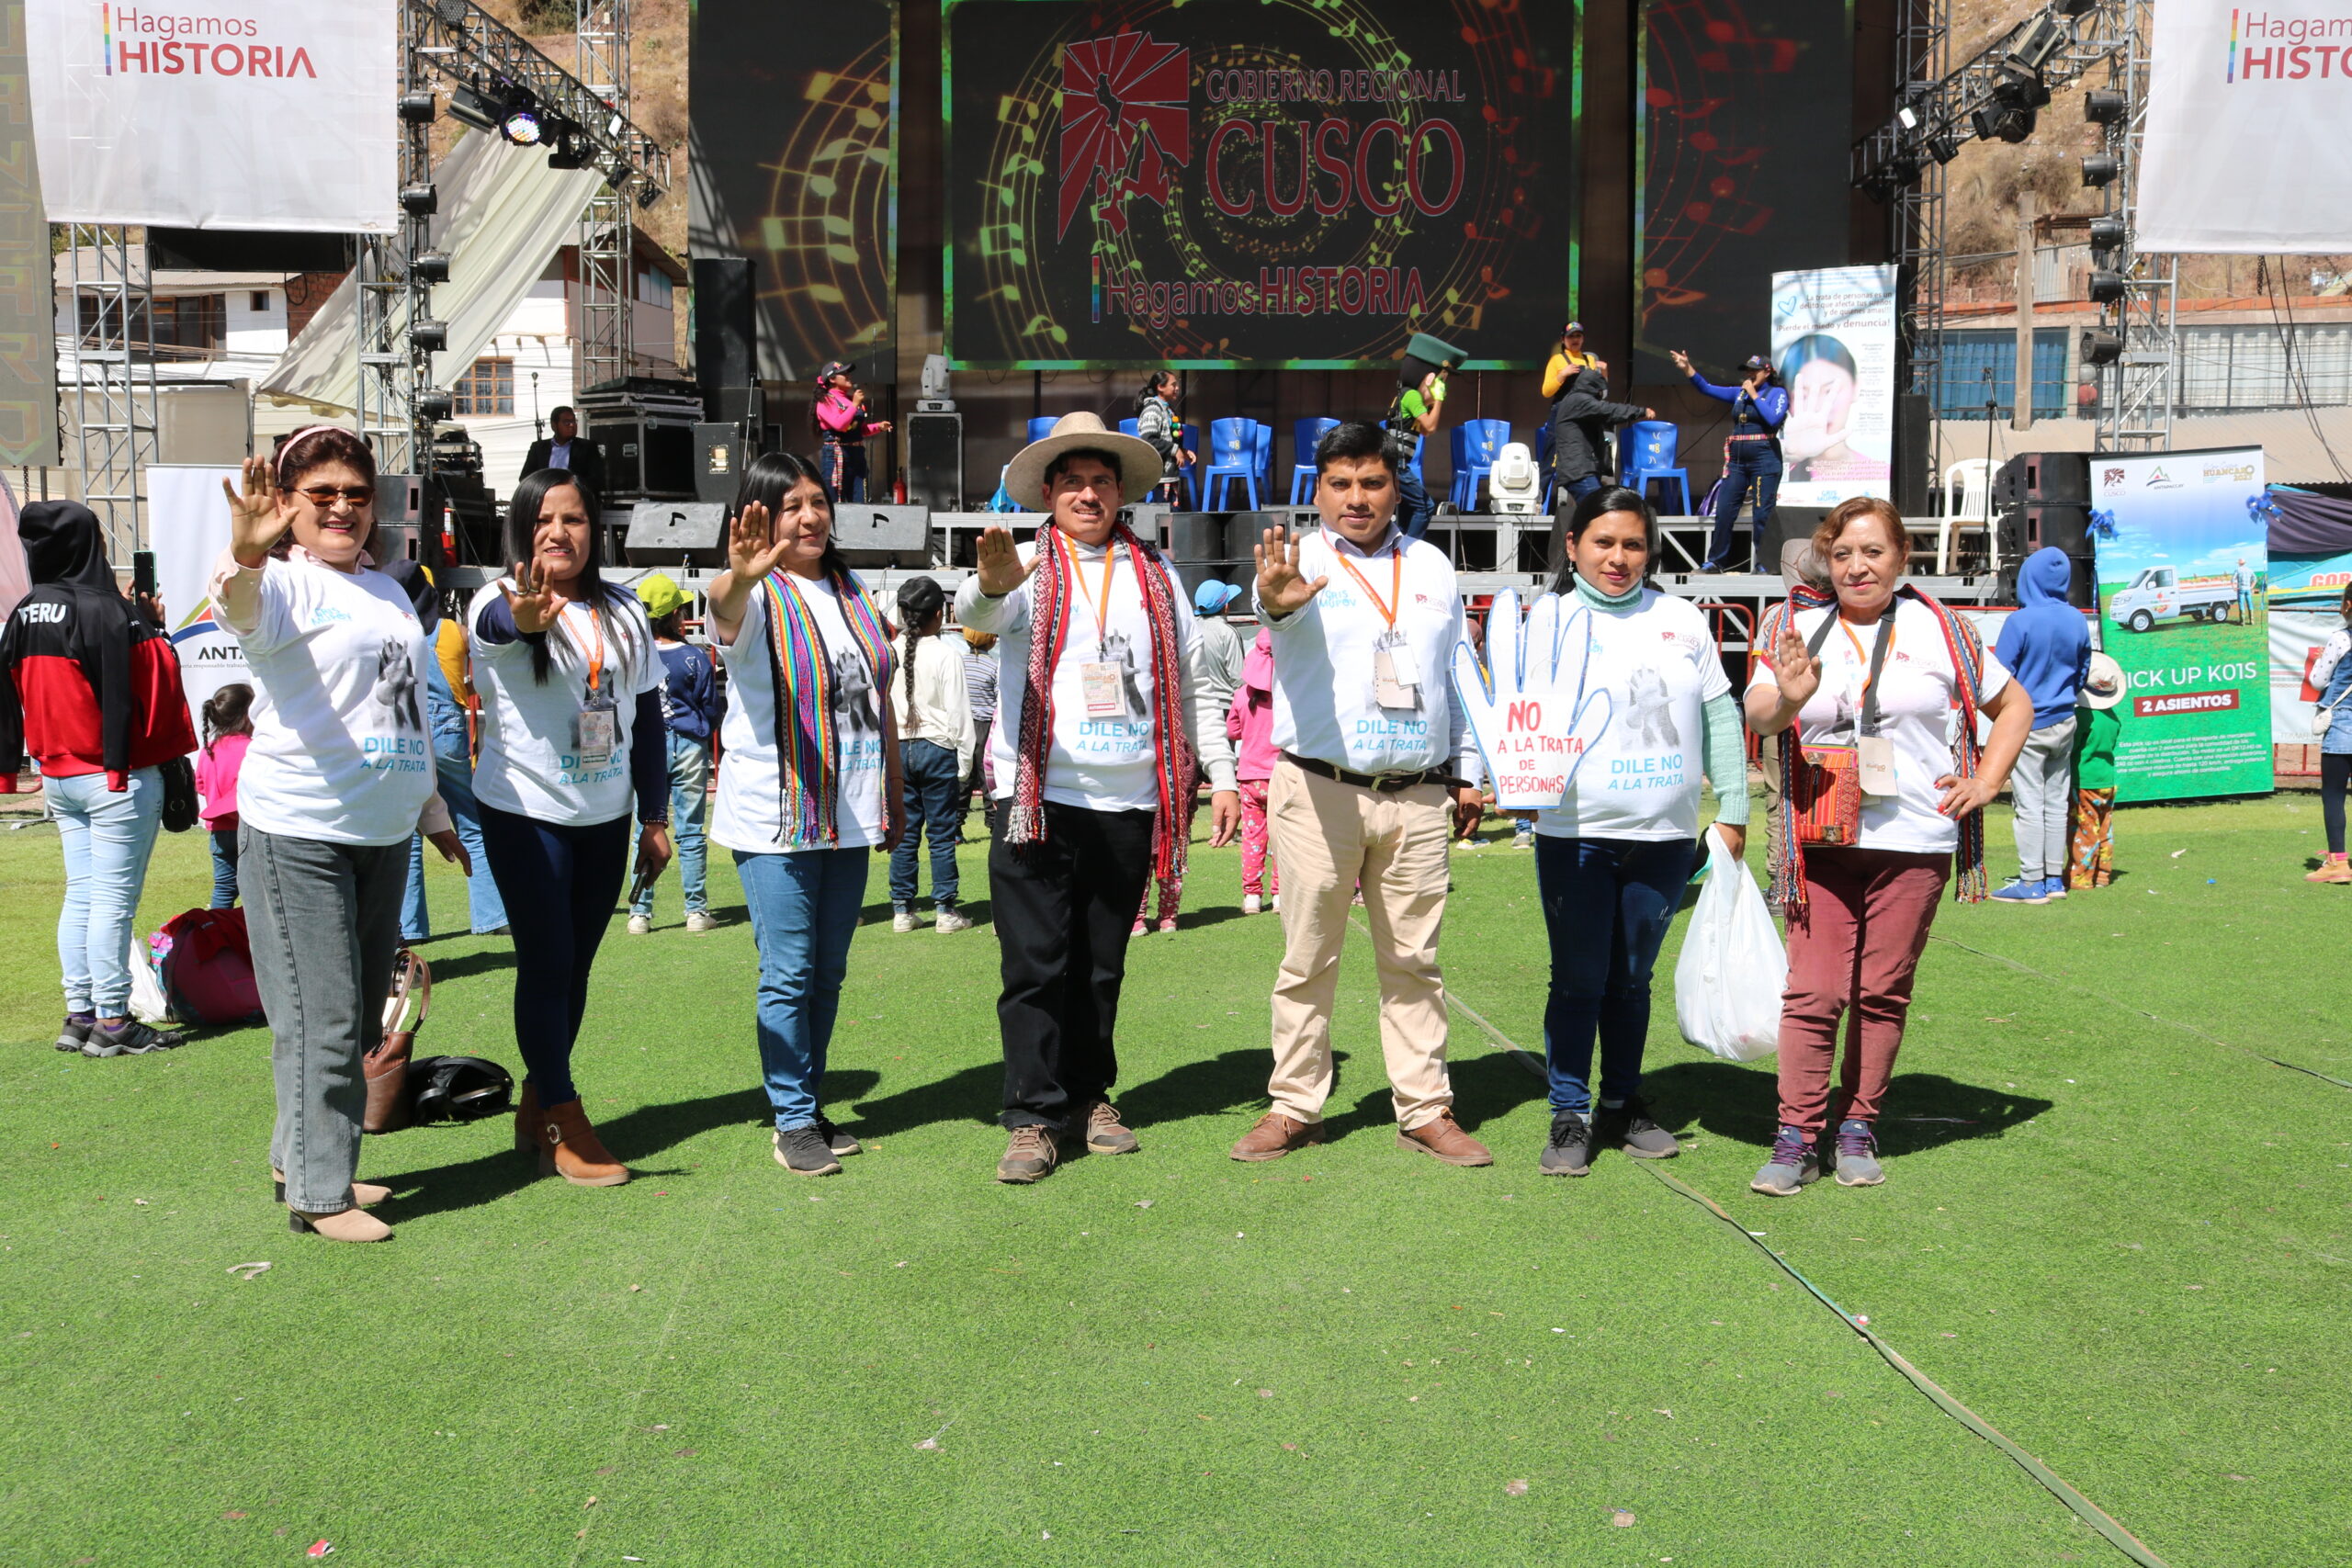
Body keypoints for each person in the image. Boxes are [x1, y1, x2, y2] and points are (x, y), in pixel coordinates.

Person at [956, 412, 1239, 1183]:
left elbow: (1193, 686)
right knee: (1035, 965)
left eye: (1101, 481)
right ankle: (1031, 1115)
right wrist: (986, 586)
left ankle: (1088, 1098)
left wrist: (1218, 771)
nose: (1088, 493)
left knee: (1100, 967)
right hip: (1035, 796)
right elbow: (975, 618)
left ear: (1121, 492)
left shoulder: (1156, 577)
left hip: (1130, 799)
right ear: (1048, 492)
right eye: (1073, 481)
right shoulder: (1023, 565)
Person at [210, 428, 469, 1240]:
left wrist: (431, 814)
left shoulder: (391, 593)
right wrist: (248, 556)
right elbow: (238, 606)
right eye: (321, 493)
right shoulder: (282, 582)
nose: (342, 509)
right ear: (288, 504)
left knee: (356, 1021)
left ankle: (305, 1156)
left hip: (380, 832)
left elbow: (406, 712)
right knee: (320, 1018)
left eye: (356, 494)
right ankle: (318, 1194)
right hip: (300, 833)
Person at [1745, 496, 2032, 1195]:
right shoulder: (1791, 624)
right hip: (1819, 838)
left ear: (1903, 558)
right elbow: (1757, 711)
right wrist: (1788, 696)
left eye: (1873, 551)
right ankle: (1795, 1135)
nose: (1857, 566)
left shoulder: (1946, 630)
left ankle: (1857, 1126)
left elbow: (2014, 705)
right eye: (1842, 553)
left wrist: (1986, 779)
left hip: (1915, 839)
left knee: (1881, 990)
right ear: (1826, 559)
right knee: (1812, 990)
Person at [1230, 421, 1489, 1168]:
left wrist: (1465, 770)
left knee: (1415, 960)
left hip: (1416, 794)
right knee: (1308, 957)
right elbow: (1274, 603)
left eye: (1372, 482)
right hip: (1319, 789)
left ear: (1394, 489)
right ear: (1318, 490)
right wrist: (1277, 604)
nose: (1357, 498)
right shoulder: (1296, 559)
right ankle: (1294, 1106)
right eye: (1339, 483)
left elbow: (1455, 674)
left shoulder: (1435, 567)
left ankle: (1424, 1107)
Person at [1527, 486, 1750, 1176]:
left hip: (1664, 835)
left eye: (1632, 543)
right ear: (1572, 546)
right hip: (1575, 831)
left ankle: (1623, 1102)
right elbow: (1520, 714)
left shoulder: (1682, 618)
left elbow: (1718, 715)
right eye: (1602, 542)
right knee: (1578, 977)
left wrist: (1735, 809)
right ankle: (1571, 1113)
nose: (1618, 557)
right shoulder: (1546, 619)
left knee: (1631, 977)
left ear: (1649, 548)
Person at [469, 469, 672, 1190]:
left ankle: (536, 1102)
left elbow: (646, 717)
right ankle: (564, 1115)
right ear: (522, 527)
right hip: (527, 811)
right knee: (548, 961)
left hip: (607, 814)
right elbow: (506, 626)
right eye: (545, 518)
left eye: (576, 519)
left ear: (595, 529)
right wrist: (529, 618)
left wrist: (655, 815)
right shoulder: (494, 599)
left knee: (576, 969)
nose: (560, 532)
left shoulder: (624, 609)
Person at [705, 451, 905, 1176]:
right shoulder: (756, 596)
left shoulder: (853, 590)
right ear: (759, 516)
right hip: (778, 817)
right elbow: (724, 608)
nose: (809, 516)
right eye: (790, 506)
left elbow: (878, 700)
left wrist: (892, 795)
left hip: (849, 810)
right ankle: (792, 1118)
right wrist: (741, 576)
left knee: (828, 972)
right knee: (788, 972)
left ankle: (809, 1101)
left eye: (817, 502)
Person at [0, 499, 198, 1058]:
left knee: (83, 895)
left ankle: (81, 1013)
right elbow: (150, 689)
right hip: (115, 776)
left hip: (60, 773)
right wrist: (153, 627)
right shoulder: (108, 610)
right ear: (89, 544)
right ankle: (112, 1020)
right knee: (111, 902)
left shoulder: (25, 610)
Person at [392, 561, 506, 943]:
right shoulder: (453, 631)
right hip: (449, 731)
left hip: (405, 730)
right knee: (473, 825)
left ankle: (410, 926)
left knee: (407, 832)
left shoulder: (391, 629)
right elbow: (479, 674)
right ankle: (491, 917)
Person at [1132, 578, 1248, 934]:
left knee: (1139, 851)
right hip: (1214, 723)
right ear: (1225, 606)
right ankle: (1169, 915)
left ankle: (1136, 918)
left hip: (1161, 744)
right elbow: (1239, 679)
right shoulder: (1227, 634)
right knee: (1173, 842)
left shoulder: (1184, 628)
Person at [1991, 547, 2091, 904]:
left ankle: (2031, 882)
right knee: (2055, 800)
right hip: (2065, 718)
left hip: (2027, 723)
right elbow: (2083, 670)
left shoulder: (2020, 621)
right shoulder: (2077, 618)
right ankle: (2053, 879)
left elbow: (1998, 676)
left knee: (2029, 804)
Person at [628, 572, 723, 934]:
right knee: (691, 830)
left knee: (644, 826)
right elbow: (710, 706)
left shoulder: (635, 656)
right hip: (688, 745)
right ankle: (696, 911)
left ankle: (639, 912)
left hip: (645, 746)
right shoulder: (694, 657)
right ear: (675, 616)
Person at [888, 574, 976, 933]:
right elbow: (959, 713)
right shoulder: (946, 654)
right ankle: (944, 910)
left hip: (897, 748)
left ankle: (902, 910)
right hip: (938, 748)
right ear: (940, 614)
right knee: (941, 834)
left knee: (904, 833)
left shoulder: (888, 651)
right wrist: (965, 763)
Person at [1672, 349, 1786, 573]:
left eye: (1755, 371)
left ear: (1767, 371)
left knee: (1762, 513)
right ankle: (1716, 562)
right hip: (1738, 460)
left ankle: (1764, 563)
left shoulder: (1777, 393)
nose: (1750, 374)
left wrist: (1754, 394)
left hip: (1765, 457)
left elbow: (1773, 418)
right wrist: (1688, 368)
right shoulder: (1739, 393)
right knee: (1724, 510)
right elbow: (1706, 388)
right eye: (1748, 371)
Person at [1546, 361, 1653, 569]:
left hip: (1580, 468)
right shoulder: (1579, 400)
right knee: (1600, 512)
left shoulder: (1576, 401)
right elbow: (1608, 410)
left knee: (1589, 515)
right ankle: (1578, 558)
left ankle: (1578, 557)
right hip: (1578, 470)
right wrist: (1640, 411)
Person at [1777, 336, 1889, 485]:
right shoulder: (1775, 470)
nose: (1818, 408)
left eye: (1830, 391)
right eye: (1803, 395)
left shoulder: (1881, 475)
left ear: (1856, 387)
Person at [1227, 627, 1280, 914]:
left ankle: (1252, 897)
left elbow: (1233, 731)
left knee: (1252, 838)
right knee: (1283, 838)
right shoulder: (1288, 696)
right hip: (1282, 778)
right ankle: (1280, 894)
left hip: (1250, 778)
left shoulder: (1240, 695)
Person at [2306, 585, 2352, 885]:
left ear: (2347, 605)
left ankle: (2338, 863)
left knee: (2334, 795)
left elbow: (2318, 679)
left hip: (2344, 725)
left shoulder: (2340, 638)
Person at [197, 683, 254, 909]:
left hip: (219, 831)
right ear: (248, 714)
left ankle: (216, 936)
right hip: (249, 828)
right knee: (256, 889)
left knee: (223, 888)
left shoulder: (208, 750)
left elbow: (201, 785)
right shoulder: (253, 748)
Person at [2068, 651, 2124, 890]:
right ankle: (2103, 875)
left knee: (2085, 830)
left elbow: (2072, 747)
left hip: (2085, 782)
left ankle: (2081, 877)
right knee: (2104, 829)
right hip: (2107, 780)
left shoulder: (2082, 716)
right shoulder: (2113, 718)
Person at [812, 360, 892, 503]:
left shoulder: (851, 400)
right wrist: (855, 404)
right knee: (835, 504)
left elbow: (859, 430)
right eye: (843, 374)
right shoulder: (825, 400)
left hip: (857, 455)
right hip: (836, 455)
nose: (848, 376)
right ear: (832, 379)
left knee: (861, 502)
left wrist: (878, 427)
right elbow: (840, 425)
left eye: (848, 373)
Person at [1385, 368, 1447, 542]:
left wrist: (1434, 403)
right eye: (1437, 386)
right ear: (1427, 381)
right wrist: (1439, 399)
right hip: (1397, 465)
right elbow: (1431, 426)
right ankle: (1409, 549)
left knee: (1407, 509)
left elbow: (1426, 431)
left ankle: (1397, 546)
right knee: (1425, 506)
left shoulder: (1408, 396)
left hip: (1396, 463)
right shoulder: (1412, 396)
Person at [959, 626, 999, 840]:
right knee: (987, 777)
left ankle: (956, 828)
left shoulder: (958, 663)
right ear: (991, 641)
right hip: (985, 725)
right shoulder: (994, 666)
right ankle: (993, 824)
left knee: (963, 776)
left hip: (961, 724)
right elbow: (998, 698)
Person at [1133, 371, 1194, 504]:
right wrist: (1174, 449)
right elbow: (1149, 440)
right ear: (1160, 387)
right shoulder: (1152, 410)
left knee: (1170, 515)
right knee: (1163, 516)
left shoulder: (1167, 410)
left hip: (1169, 474)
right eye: (1173, 385)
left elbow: (1168, 438)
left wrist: (1182, 451)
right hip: (1160, 475)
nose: (1177, 388)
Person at [522, 406, 607, 501]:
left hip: (575, 501)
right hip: (546, 501)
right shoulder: (538, 448)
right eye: (567, 422)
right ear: (554, 425)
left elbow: (597, 479)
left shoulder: (587, 447)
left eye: (574, 421)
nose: (572, 425)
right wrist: (543, 489)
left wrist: (572, 488)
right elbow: (525, 477)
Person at [1538, 321, 1600, 400]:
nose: (1575, 339)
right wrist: (1562, 375)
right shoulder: (1556, 360)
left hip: (1585, 408)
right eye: (1571, 336)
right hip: (1564, 408)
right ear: (1563, 340)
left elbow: (1599, 391)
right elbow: (1546, 392)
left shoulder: (1590, 359)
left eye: (1578, 336)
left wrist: (1604, 374)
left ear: (1582, 339)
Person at [2235, 557, 2257, 624]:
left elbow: (2233, 579)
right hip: (2248, 589)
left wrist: (2234, 587)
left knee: (2241, 604)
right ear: (2244, 563)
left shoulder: (2238, 570)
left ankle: (2242, 622)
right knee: (2250, 604)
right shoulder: (2250, 570)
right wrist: (2251, 587)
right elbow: (2255, 579)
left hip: (2241, 589)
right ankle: (2252, 621)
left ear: (2239, 564)